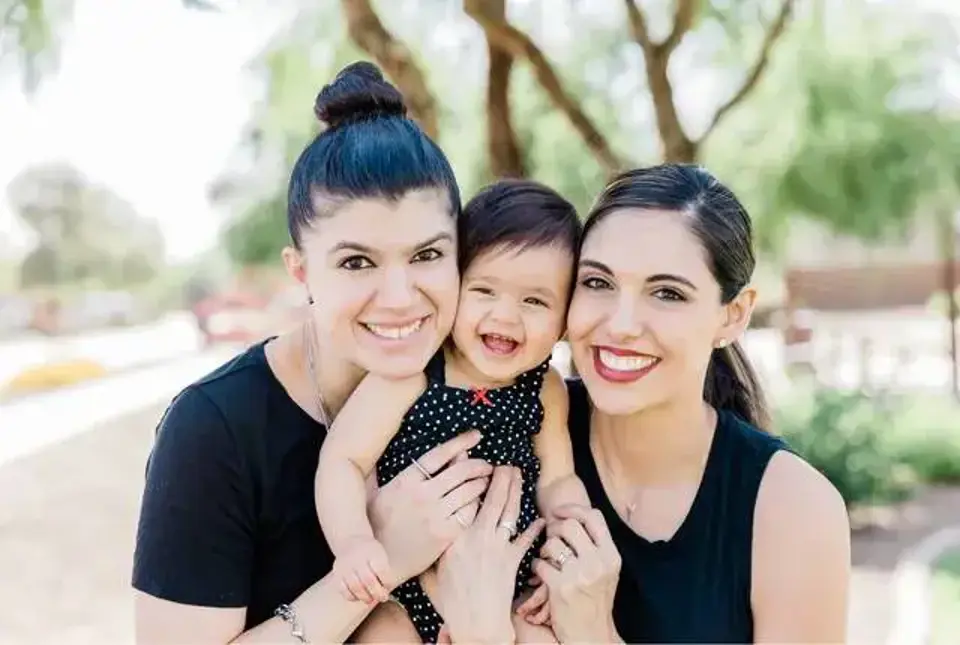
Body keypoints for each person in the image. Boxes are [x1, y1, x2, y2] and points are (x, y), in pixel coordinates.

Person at [130, 62, 517, 644]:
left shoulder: (500, 386)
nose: (399, 297)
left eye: (427, 255)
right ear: (302, 272)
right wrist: (379, 560)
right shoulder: (214, 431)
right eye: (357, 262)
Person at [518, 164, 851, 644]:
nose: (621, 325)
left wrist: (594, 633)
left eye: (667, 293)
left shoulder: (794, 509)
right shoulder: (514, 428)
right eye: (598, 283)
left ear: (732, 316)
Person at [315, 179, 590, 643]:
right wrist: (354, 543)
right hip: (403, 590)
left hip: (508, 588)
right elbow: (343, 459)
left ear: (565, 319)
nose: (505, 316)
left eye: (535, 300)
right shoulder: (414, 372)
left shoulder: (544, 388)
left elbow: (557, 479)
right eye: (484, 290)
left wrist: (566, 547)